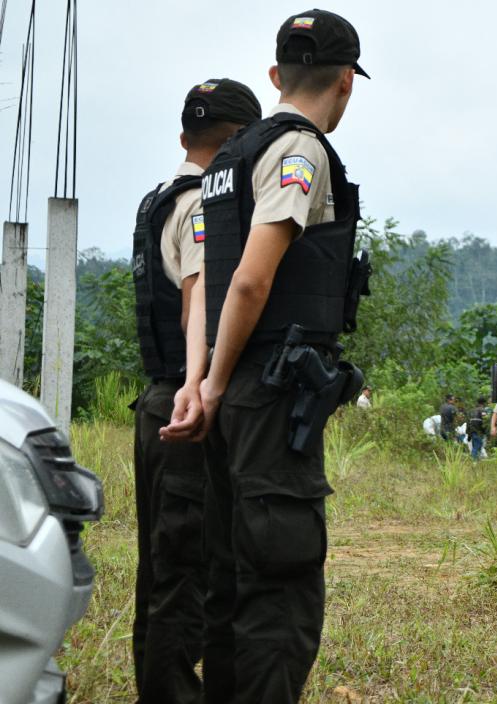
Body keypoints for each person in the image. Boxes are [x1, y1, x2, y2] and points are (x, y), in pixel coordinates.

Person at [160, 10, 369, 703]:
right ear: (346, 82)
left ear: (276, 75)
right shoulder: (297, 151)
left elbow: (204, 290)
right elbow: (251, 279)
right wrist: (214, 385)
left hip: (230, 392)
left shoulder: (223, 162)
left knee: (229, 582)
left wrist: (196, 382)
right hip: (268, 397)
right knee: (278, 592)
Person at [131, 78, 260, 703]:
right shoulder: (203, 206)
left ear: (185, 136)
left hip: (154, 401)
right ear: (239, 143)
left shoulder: (158, 199)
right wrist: (205, 385)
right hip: (185, 402)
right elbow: (197, 311)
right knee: (186, 574)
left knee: (158, 572)